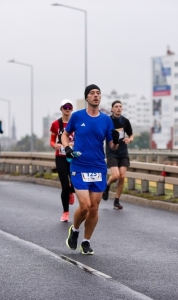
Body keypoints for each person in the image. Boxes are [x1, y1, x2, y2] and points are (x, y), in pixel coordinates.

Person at [61, 84, 119, 255]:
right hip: (79, 165)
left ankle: (86, 241)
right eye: (92, 93)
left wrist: (116, 140)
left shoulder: (106, 120)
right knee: (85, 206)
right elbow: (65, 134)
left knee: (94, 207)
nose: (95, 96)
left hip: (98, 167)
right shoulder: (77, 116)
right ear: (86, 98)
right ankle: (75, 230)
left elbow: (112, 146)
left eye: (98, 93)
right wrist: (67, 148)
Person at [102, 100, 133, 209]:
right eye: (116, 106)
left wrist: (130, 139)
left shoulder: (125, 121)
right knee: (116, 175)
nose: (119, 108)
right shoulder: (107, 121)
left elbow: (131, 135)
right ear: (112, 109)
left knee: (122, 176)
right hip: (111, 152)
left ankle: (116, 201)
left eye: (120, 106)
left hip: (123, 152)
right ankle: (106, 186)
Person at [50, 99, 75, 222]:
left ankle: (72, 190)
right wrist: (55, 145)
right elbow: (52, 140)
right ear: (61, 108)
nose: (67, 108)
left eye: (69, 106)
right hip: (60, 157)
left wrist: (73, 144)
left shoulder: (76, 122)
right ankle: (65, 212)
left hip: (74, 157)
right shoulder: (56, 124)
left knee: (75, 183)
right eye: (65, 106)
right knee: (64, 186)